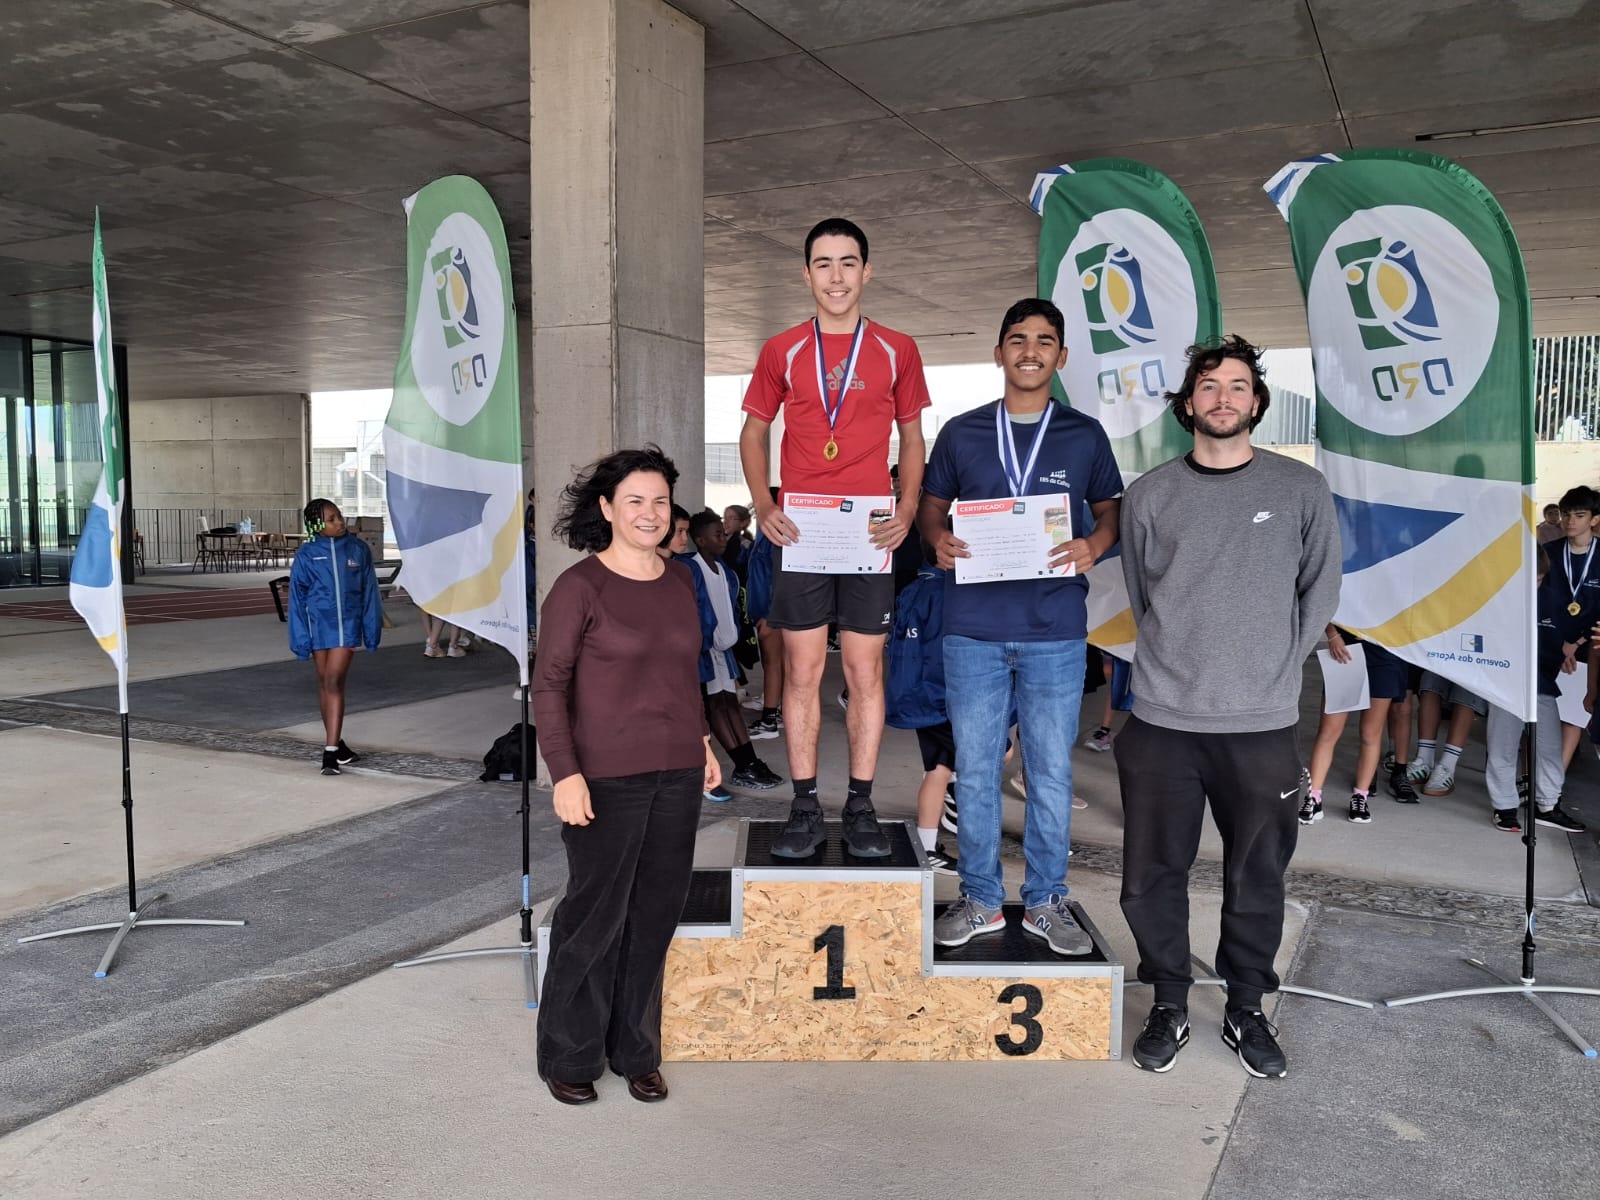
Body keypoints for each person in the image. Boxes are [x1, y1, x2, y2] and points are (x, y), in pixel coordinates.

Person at [1115, 335, 1340, 1078]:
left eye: (1238, 386)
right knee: (1151, 874)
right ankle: (1169, 1001)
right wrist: (1182, 662)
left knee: (1258, 874)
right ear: (1188, 404)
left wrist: (1272, 669)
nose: (1223, 398)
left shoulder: (1300, 488)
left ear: (1257, 402)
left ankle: (1246, 1006)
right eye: (1209, 386)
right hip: (1162, 721)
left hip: (1261, 725)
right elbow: (1146, 596)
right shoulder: (1150, 495)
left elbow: (1320, 591)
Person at [916, 298, 1121, 955]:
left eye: (1044, 340)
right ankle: (979, 898)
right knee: (976, 771)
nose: (1030, 350)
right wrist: (936, 538)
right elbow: (931, 506)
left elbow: (1110, 509)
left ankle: (1045, 901)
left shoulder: (1084, 434)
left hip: (1054, 628)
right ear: (999, 352)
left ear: (1061, 356)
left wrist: (1096, 544)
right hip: (972, 627)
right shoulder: (963, 432)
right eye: (1018, 339)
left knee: (1050, 773)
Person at [531, 446, 720, 1107]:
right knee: (594, 917)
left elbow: (684, 672)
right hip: (604, 776)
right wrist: (565, 773)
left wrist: (702, 740)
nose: (650, 512)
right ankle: (570, 1053)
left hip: (677, 771)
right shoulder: (579, 587)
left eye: (660, 501)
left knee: (655, 914)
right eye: (635, 500)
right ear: (607, 509)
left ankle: (636, 1050)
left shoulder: (680, 580)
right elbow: (549, 687)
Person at [738, 216, 931, 858]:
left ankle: (860, 804)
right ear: (807, 274)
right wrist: (764, 503)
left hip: (869, 531)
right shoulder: (782, 349)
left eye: (848, 262)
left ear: (866, 271)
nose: (837, 276)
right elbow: (753, 432)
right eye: (824, 263)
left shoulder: (897, 348)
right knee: (801, 670)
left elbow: (912, 437)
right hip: (805, 528)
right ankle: (803, 807)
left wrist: (907, 507)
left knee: (864, 670)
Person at [1484, 544, 1588, 833]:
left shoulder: (1553, 599)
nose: (1535, 585)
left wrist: (1569, 649)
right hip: (1505, 682)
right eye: (1530, 579)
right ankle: (1504, 807)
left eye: (1539, 579)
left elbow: (1568, 634)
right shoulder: (1499, 597)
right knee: (1502, 745)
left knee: (1550, 746)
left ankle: (1548, 805)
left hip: (1542, 683)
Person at [683, 509, 783, 797]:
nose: (723, 538)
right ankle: (742, 764)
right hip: (706, 651)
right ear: (700, 540)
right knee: (717, 707)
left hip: (724, 650)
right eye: (717, 534)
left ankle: (749, 760)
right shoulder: (689, 568)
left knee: (729, 705)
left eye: (723, 533)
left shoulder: (723, 569)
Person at [287, 499, 382, 776]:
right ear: (317, 525)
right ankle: (338, 745)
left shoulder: (358, 550)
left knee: (333, 681)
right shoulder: (307, 555)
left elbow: (370, 593)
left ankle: (329, 754)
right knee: (324, 683)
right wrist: (300, 638)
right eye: (331, 519)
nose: (339, 522)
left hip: (348, 627)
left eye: (339, 515)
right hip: (319, 628)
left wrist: (371, 630)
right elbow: (297, 600)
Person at [1301, 626, 1409, 824]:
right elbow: (1326, 606)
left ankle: (1360, 797)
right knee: (1328, 731)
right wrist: (1332, 635)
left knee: (1370, 733)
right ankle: (1314, 797)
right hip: (1344, 648)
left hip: (1385, 652)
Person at [1545, 486, 1600, 771]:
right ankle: (1532, 780)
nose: (1570, 521)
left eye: (1579, 515)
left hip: (1586, 649)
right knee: (1541, 716)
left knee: (1572, 717)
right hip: (1549, 644)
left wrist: (1575, 644)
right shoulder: (1549, 552)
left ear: (1594, 519)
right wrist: (1558, 643)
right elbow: (1538, 601)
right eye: (1566, 514)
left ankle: (1553, 784)